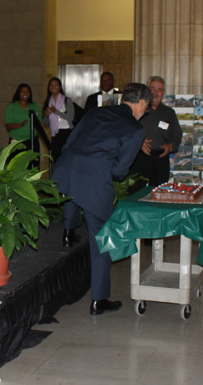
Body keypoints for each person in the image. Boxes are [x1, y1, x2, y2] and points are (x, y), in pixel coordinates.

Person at [52, 83, 151, 315]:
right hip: (94, 180)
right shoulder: (135, 130)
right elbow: (118, 172)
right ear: (142, 103)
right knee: (102, 240)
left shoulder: (97, 111)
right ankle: (99, 300)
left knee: (73, 194)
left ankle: (68, 230)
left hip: (67, 168)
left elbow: (70, 141)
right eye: (146, 108)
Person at [128, 76, 183, 193]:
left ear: (163, 93)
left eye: (160, 89)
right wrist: (139, 143)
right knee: (135, 192)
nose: (156, 93)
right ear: (147, 90)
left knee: (159, 193)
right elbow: (127, 131)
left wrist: (171, 146)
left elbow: (177, 134)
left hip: (160, 159)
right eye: (153, 88)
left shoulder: (169, 113)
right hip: (139, 158)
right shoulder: (137, 109)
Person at [42, 77, 75, 163]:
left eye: (56, 85)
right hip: (55, 134)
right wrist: (45, 116)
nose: (53, 87)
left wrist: (56, 112)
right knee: (56, 158)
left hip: (67, 132)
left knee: (67, 158)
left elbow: (71, 117)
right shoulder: (48, 102)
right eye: (51, 85)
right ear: (49, 88)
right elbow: (46, 124)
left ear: (60, 87)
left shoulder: (67, 100)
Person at [5, 83, 42, 154]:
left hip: (32, 140)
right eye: (22, 91)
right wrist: (20, 125)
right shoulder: (12, 106)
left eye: (27, 91)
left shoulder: (35, 106)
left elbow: (39, 124)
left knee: (33, 164)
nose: (25, 93)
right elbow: (8, 126)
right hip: (16, 141)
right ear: (18, 93)